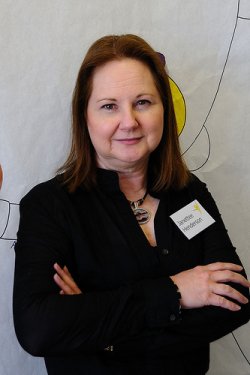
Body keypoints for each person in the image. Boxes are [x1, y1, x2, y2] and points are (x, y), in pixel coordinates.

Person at [13, 34, 250, 375]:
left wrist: (101, 335)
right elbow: (39, 330)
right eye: (109, 106)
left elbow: (236, 302)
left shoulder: (189, 193)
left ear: (163, 108)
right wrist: (176, 292)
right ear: (85, 116)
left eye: (142, 102)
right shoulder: (48, 206)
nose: (129, 122)